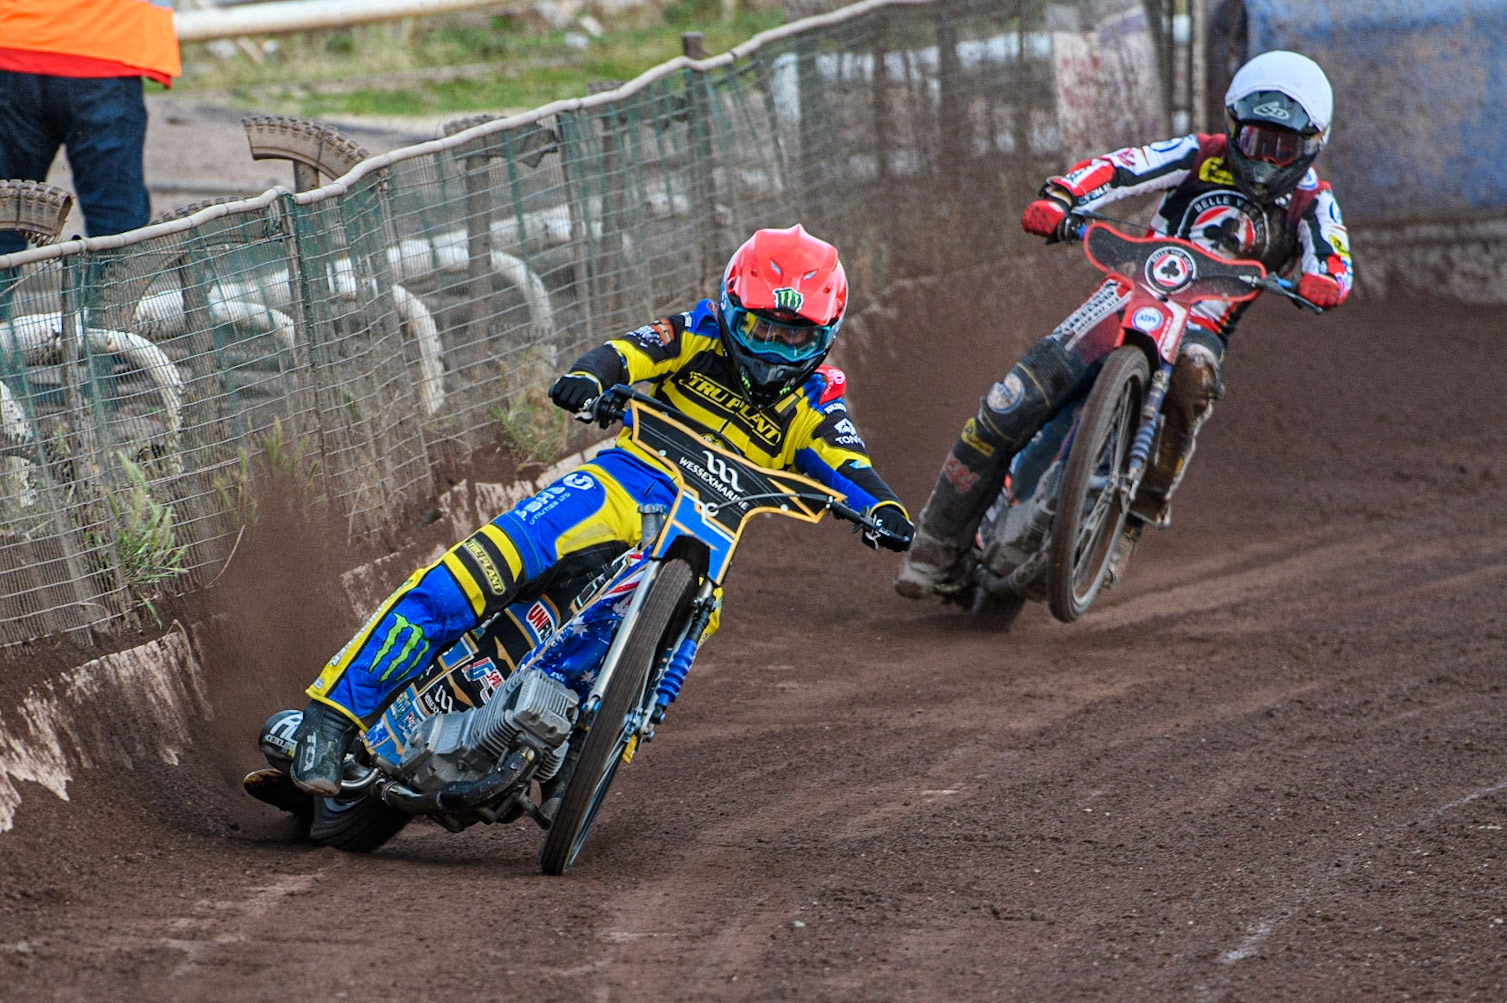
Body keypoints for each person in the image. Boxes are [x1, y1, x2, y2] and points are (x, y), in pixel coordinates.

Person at [290, 224, 915, 796]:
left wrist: (882, 507)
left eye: (795, 337)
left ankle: (586, 747)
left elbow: (849, 462)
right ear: (730, 308)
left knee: (690, 623)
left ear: (824, 337)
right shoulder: (695, 333)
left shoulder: (818, 400)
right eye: (759, 330)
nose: (775, 352)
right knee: (478, 571)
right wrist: (589, 378)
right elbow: (625, 353)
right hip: (618, 488)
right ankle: (331, 719)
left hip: (707, 531)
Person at [895, 49, 1354, 600]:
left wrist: (1324, 280)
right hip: (1122, 295)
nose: (1266, 159)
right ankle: (936, 547)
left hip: (1200, 328)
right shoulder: (1197, 154)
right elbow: (1125, 165)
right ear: (1234, 126)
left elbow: (1335, 258)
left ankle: (1130, 522)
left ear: (1311, 147)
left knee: (1193, 381)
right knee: (1009, 401)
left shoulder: (1312, 201)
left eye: (1284, 147)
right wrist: (1064, 195)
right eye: (1257, 141)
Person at [0, 0, 180, 255]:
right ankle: (116, 294)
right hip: (105, 47)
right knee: (116, 228)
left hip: (13, 44)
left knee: (5, 213)